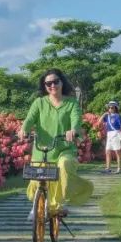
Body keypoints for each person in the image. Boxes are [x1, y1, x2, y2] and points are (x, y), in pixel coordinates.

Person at [18, 69, 94, 220]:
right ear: (44, 86)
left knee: (64, 166)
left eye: (56, 82)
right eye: (48, 83)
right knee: (36, 179)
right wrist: (23, 130)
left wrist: (73, 130)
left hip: (64, 148)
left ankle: (57, 204)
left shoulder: (71, 103)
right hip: (42, 150)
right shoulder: (39, 103)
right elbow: (29, 120)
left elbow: (76, 120)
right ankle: (37, 206)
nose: (52, 85)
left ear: (62, 82)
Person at [101, 100, 121, 174]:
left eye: (112, 107)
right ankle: (108, 168)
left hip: (116, 133)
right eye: (109, 107)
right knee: (107, 151)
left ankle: (119, 168)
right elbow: (99, 122)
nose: (110, 109)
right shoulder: (107, 116)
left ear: (115, 108)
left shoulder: (117, 116)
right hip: (109, 134)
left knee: (117, 151)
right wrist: (104, 114)